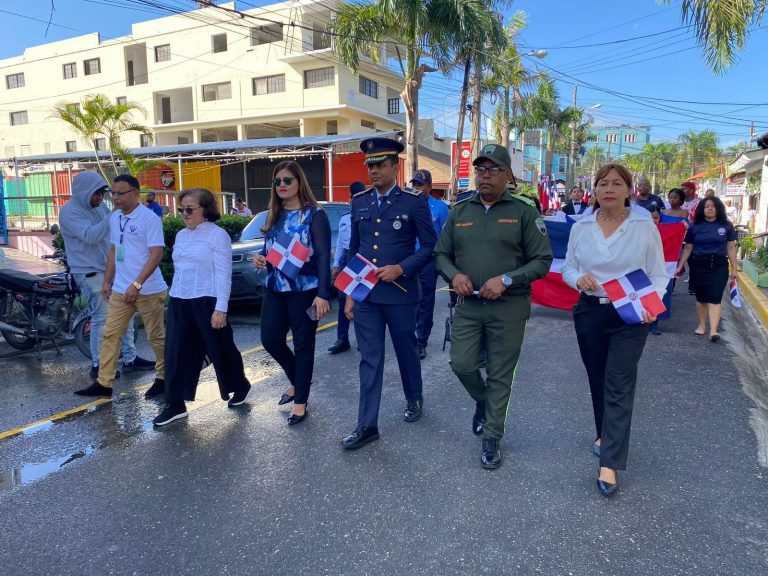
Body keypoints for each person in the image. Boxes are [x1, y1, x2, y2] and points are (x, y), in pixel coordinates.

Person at [435, 144, 553, 469]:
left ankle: (492, 436)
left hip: (509, 308)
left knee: (501, 373)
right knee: (461, 363)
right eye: (480, 170)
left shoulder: (524, 212)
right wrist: (454, 273)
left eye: (493, 170)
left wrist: (507, 280)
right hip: (469, 305)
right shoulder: (460, 211)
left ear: (507, 175)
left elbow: (543, 260)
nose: (485, 176)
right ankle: (485, 404)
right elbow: (440, 253)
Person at [561, 163, 667, 497]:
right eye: (602, 183)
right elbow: (568, 266)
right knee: (597, 377)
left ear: (628, 189)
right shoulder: (582, 226)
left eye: (616, 183)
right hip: (591, 311)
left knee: (619, 382)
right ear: (594, 190)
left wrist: (654, 304)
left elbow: (659, 273)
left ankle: (609, 463)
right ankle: (604, 434)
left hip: (631, 314)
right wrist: (577, 278)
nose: (609, 189)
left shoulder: (643, 225)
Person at [340, 137, 437, 450]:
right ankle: (367, 425)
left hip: (400, 294)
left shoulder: (413, 202)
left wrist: (402, 268)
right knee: (370, 359)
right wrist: (351, 294)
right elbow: (355, 250)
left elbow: (430, 246)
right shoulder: (360, 202)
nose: (374, 170)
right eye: (370, 165)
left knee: (406, 350)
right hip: (367, 296)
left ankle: (414, 397)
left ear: (396, 166)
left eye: (381, 164)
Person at [153, 189, 251, 426]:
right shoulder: (181, 236)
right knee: (174, 352)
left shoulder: (218, 236)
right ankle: (175, 404)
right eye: (181, 209)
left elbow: (224, 274)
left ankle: (240, 385)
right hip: (179, 299)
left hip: (207, 300)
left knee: (221, 348)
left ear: (205, 209)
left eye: (189, 209)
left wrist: (221, 309)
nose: (184, 214)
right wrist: (171, 299)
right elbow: (180, 270)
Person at [74, 174, 167, 397]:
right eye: (112, 193)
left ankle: (164, 378)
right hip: (120, 289)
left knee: (156, 336)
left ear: (135, 194)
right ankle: (104, 383)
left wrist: (137, 284)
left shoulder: (149, 219)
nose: (115, 198)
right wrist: (107, 280)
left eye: (120, 193)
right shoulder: (115, 217)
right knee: (110, 333)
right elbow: (114, 250)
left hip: (148, 290)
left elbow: (156, 255)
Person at [253, 161, 331, 425]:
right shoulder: (273, 214)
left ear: (299, 183)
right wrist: (261, 258)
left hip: (305, 291)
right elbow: (272, 249)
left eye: (287, 180)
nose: (282, 185)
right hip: (275, 288)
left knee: (303, 344)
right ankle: (299, 380)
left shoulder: (314, 214)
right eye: (278, 182)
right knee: (270, 339)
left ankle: (300, 403)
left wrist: (323, 294)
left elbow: (322, 257)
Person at [59, 172, 155, 379]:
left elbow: (115, 235)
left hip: (111, 269)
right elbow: (90, 236)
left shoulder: (101, 207)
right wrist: (114, 215)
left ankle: (130, 359)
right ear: (84, 192)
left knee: (125, 314)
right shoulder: (69, 212)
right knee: (102, 318)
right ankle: (99, 365)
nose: (101, 198)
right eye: (97, 194)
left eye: (103, 194)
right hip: (89, 271)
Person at [675, 196, 738, 342]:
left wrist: (735, 269)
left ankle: (714, 331)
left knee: (715, 297)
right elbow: (688, 248)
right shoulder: (695, 227)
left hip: (719, 265)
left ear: (718, 208)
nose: (710, 208)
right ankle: (702, 325)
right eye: (706, 206)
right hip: (699, 265)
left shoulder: (726, 226)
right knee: (701, 298)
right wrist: (680, 266)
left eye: (713, 206)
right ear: (702, 209)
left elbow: (731, 247)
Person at [410, 168, 449, 359]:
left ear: (430, 186)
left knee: (425, 301)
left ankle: (421, 341)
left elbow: (445, 238)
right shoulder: (407, 205)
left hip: (427, 262)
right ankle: (409, 337)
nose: (417, 188)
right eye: (414, 184)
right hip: (408, 261)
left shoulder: (440, 208)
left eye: (420, 184)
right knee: (409, 302)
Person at [328, 182, 364, 355]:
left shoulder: (367, 218)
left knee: (361, 301)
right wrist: (336, 266)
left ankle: (364, 339)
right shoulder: (344, 219)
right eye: (353, 198)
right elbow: (341, 245)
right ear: (350, 199)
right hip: (346, 264)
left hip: (363, 264)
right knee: (343, 300)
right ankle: (342, 339)